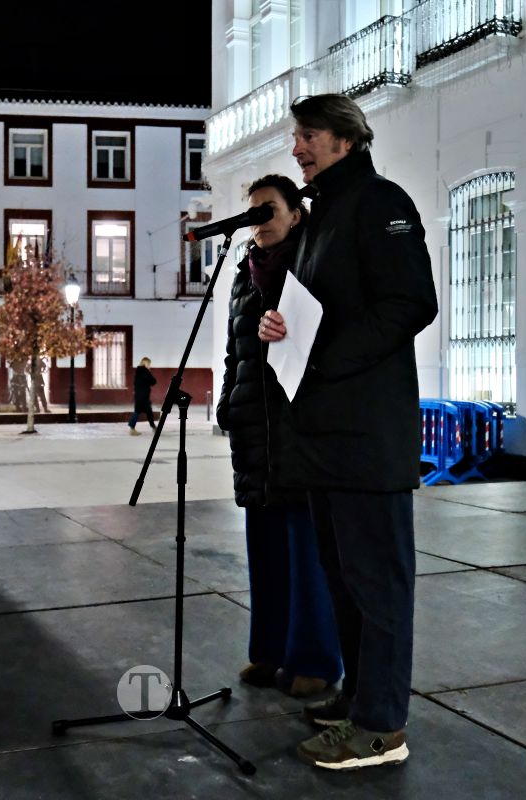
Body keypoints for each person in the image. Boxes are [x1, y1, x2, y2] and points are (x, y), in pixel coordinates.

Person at [258, 94, 437, 771]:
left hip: (368, 437)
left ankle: (382, 729)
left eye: (306, 136)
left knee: (379, 586)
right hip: (325, 438)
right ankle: (359, 698)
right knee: (344, 582)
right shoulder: (321, 215)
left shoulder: (378, 201)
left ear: (342, 139)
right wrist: (280, 327)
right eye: (296, 137)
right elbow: (312, 309)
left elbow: (409, 302)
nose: (296, 149)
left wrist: (323, 352)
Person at [217, 174, 343, 698]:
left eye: (268, 210)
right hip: (254, 429)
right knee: (265, 550)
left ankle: (313, 659)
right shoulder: (244, 277)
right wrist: (227, 401)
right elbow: (234, 351)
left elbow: (332, 334)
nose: (259, 221)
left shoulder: (311, 265)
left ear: (295, 214)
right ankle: (269, 652)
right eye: (252, 212)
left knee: (306, 550)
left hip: (297, 427)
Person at [127, 357, 156, 435]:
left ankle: (153, 427)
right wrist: (149, 375)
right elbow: (153, 381)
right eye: (149, 364)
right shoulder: (145, 371)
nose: (150, 366)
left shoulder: (138, 371)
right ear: (146, 363)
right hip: (143, 396)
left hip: (139, 395)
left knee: (147, 411)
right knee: (139, 411)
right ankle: (132, 428)